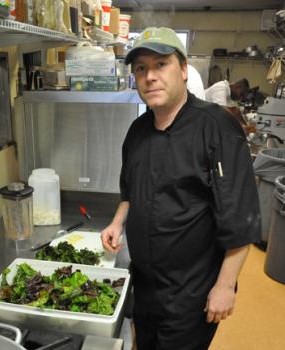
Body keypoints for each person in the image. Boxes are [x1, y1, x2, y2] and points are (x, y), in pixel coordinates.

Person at [101, 27, 261, 350]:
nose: (150, 77)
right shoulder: (137, 131)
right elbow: (129, 191)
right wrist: (118, 222)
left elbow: (241, 216)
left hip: (191, 294)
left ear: (184, 70)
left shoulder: (216, 127)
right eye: (141, 69)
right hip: (144, 285)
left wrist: (225, 286)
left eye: (161, 64)